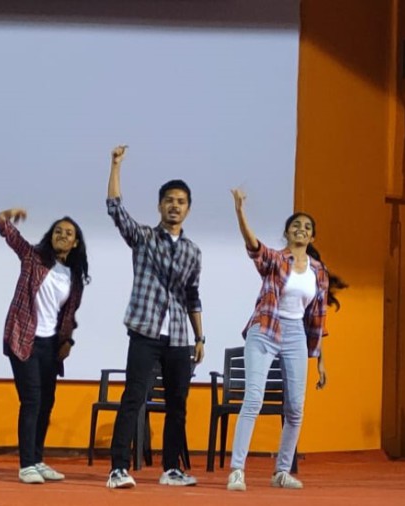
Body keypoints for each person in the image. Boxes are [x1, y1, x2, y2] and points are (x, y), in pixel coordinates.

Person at [226, 188, 346, 491]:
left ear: (312, 237)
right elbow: (253, 246)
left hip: (295, 335)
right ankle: (237, 470)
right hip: (266, 328)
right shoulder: (276, 260)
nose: (301, 229)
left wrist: (320, 360)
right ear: (287, 233)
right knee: (253, 398)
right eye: (296, 225)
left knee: (295, 408)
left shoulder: (319, 272)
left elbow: (317, 318)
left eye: (307, 227)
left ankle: (281, 471)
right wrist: (240, 211)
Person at [104, 145, 206, 489]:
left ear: (188, 208)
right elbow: (115, 209)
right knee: (133, 398)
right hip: (145, 331)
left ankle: (171, 468)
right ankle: (118, 468)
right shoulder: (145, 238)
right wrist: (115, 166)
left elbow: (192, 295)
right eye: (169, 200)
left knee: (178, 404)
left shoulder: (193, 251)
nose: (175, 206)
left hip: (178, 336)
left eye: (181, 201)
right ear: (160, 205)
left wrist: (199, 337)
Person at [0, 208, 90, 484]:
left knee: (47, 402)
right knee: (32, 400)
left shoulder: (74, 277)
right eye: (58, 231)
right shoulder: (33, 257)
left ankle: (37, 459)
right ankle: (26, 464)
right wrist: (8, 214)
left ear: (75, 243)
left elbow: (69, 315)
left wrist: (67, 340)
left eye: (69, 233)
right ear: (50, 236)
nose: (62, 235)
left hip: (50, 345)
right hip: (23, 338)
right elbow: (5, 228)